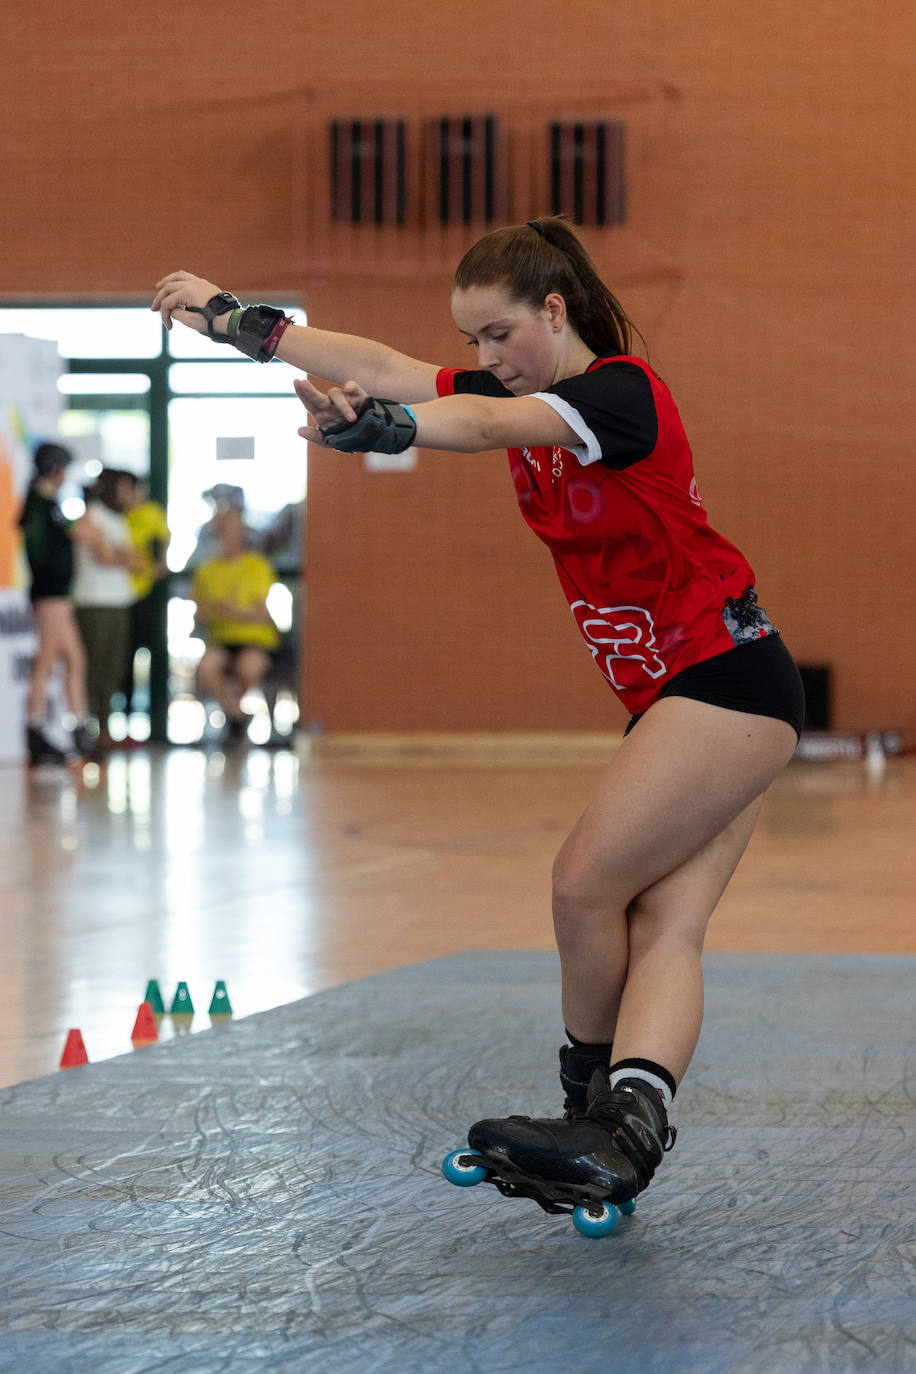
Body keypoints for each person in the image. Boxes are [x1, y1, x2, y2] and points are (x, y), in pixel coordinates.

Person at [152, 217, 804, 1214]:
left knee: (584, 886)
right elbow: (378, 362)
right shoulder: (516, 389)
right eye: (472, 344)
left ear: (555, 310)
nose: (485, 360)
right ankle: (623, 1130)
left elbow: (488, 426)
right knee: (663, 921)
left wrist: (388, 431)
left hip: (724, 677)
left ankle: (589, 1112)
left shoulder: (617, 395)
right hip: (702, 693)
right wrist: (236, 319)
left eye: (500, 335)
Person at [17, 442, 91, 763]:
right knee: (47, 659)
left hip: (59, 594)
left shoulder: (48, 504)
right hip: (49, 595)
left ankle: (78, 728)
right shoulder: (38, 504)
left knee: (73, 658)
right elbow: (39, 550)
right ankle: (35, 730)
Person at [190, 505, 280, 744]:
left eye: (233, 529)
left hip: (255, 639)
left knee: (247, 667)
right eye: (224, 530)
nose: (229, 535)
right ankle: (236, 715)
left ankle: (234, 715)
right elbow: (199, 611)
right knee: (207, 667)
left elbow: (263, 613)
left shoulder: (257, 566)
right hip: (221, 638)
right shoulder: (206, 570)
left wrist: (237, 612)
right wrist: (219, 610)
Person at [71, 467, 142, 752]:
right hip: (94, 602)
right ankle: (89, 729)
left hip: (118, 601)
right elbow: (106, 557)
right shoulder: (92, 516)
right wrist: (119, 556)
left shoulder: (118, 520)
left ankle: (104, 728)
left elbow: (133, 558)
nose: (130, 494)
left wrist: (118, 555)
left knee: (113, 669)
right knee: (95, 668)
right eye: (126, 487)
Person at [122, 474, 170, 712]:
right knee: (124, 653)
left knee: (147, 648)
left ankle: (153, 709)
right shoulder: (119, 515)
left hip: (145, 591)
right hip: (121, 593)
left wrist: (161, 563)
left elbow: (164, 538)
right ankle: (125, 709)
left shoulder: (151, 512)